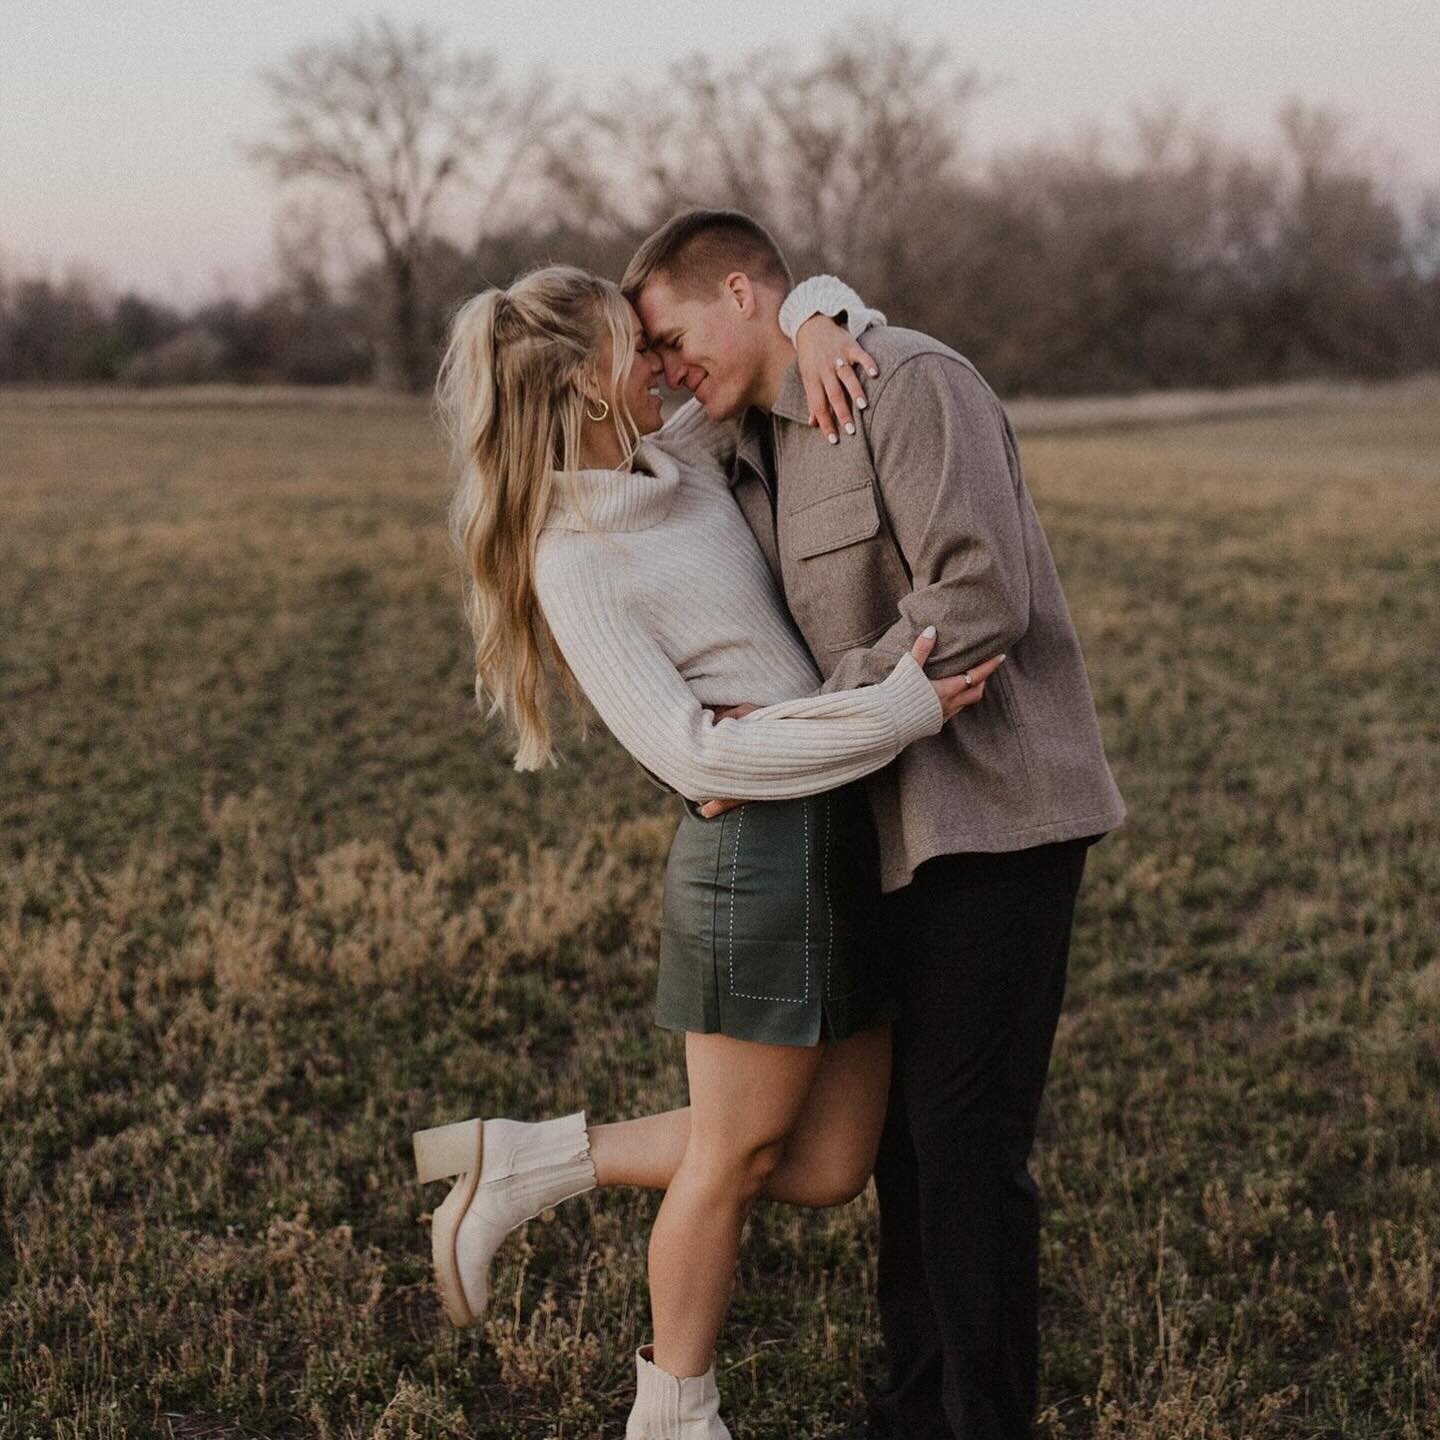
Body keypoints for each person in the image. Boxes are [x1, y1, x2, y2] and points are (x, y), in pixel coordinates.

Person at [413, 261, 1006, 1439]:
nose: (663, 365)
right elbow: (698, 759)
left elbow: (751, 324)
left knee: (834, 1162)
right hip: (757, 863)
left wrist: (818, 314)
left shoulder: (669, 458)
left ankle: (533, 1163)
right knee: (731, 1160)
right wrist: (894, 712)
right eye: (637, 350)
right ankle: (673, 1414)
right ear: (590, 380)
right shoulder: (572, 559)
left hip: (842, 828)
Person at [623, 209, 1128, 1440]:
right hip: (869, 835)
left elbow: (977, 599)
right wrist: (812, 309)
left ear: (745, 291)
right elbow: (605, 429)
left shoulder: (908, 384)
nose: (670, 367)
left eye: (676, 337)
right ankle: (911, 1412)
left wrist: (801, 721)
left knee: (963, 1150)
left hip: (995, 818)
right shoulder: (740, 440)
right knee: (901, 1150)